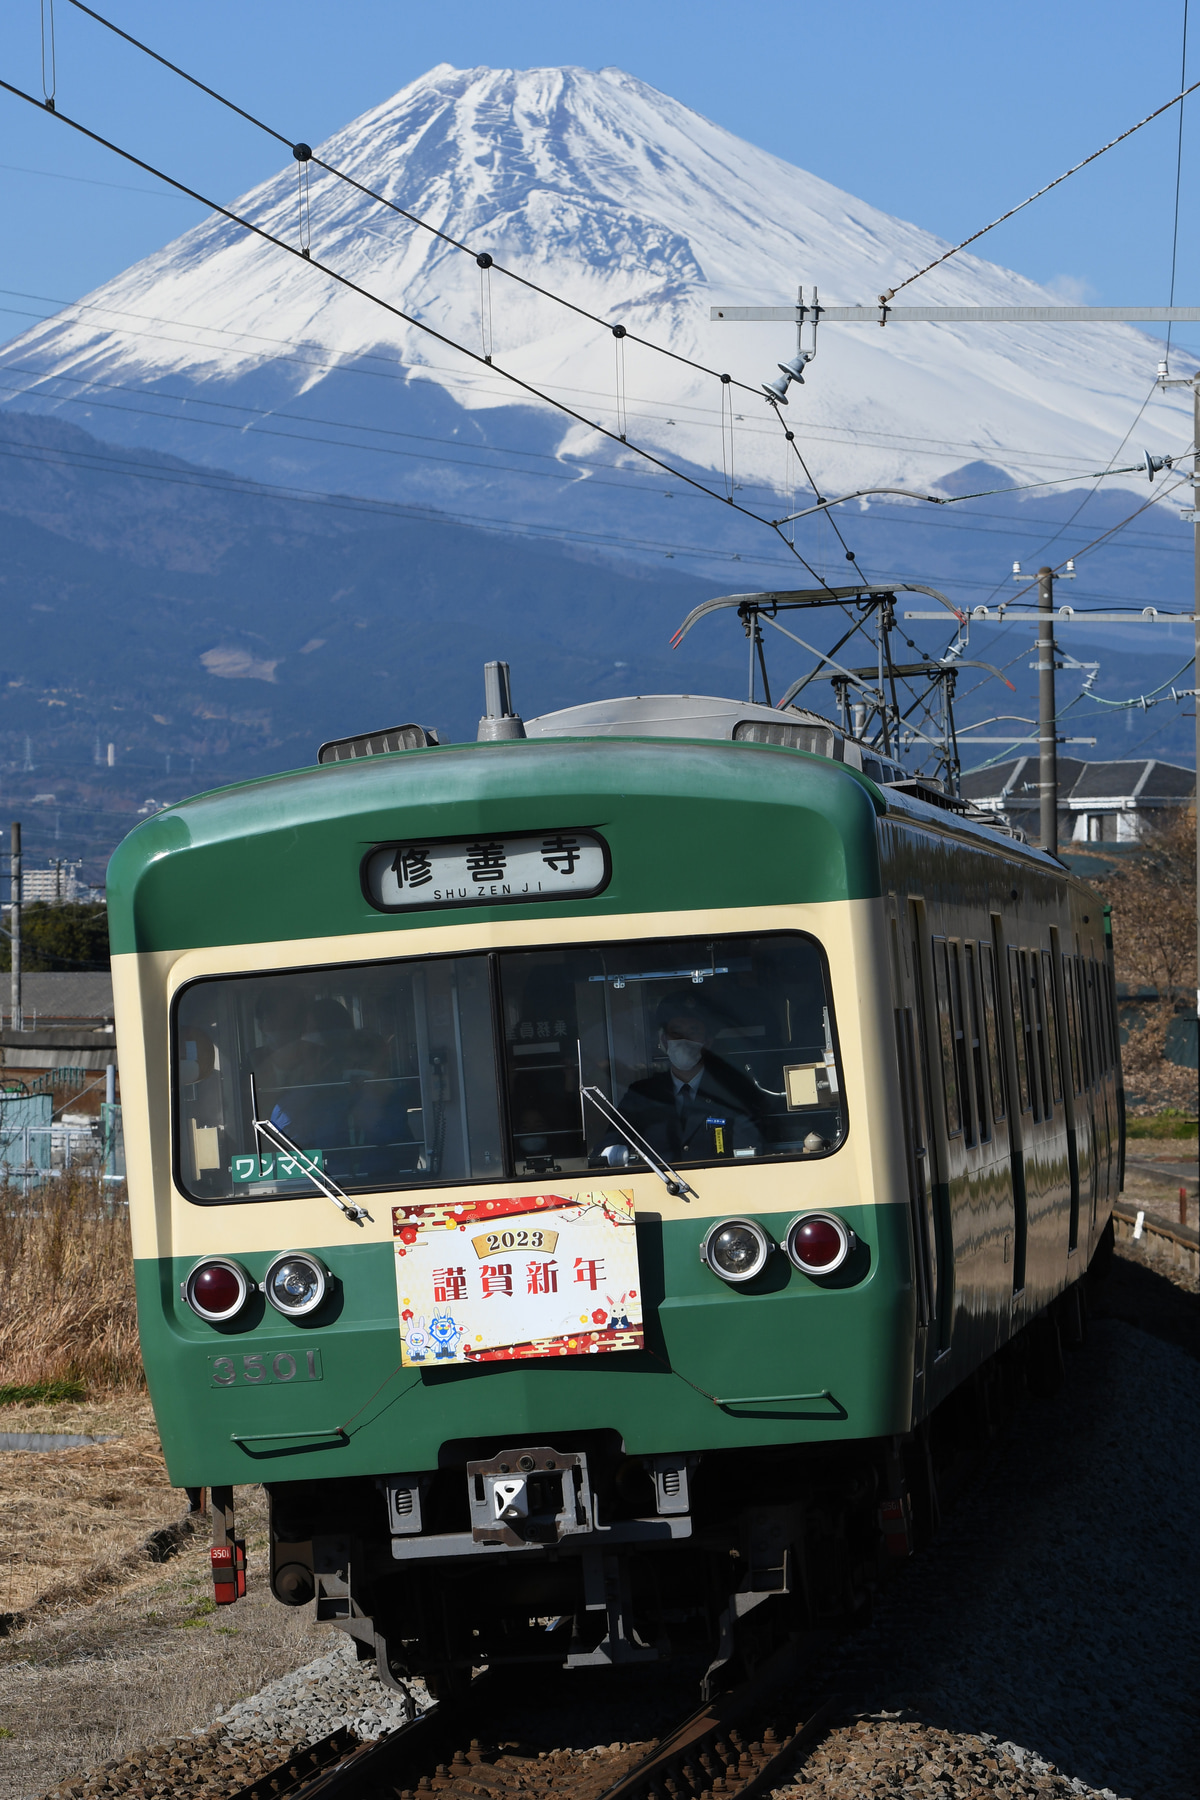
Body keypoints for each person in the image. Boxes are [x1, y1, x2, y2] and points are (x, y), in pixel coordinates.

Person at [595, 990, 763, 1165]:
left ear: (708, 1041)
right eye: (676, 1032)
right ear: (664, 1040)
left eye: (693, 1031)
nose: (684, 1040)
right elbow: (609, 1147)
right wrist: (613, 1152)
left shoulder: (733, 1092)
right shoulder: (642, 1094)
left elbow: (749, 1153)